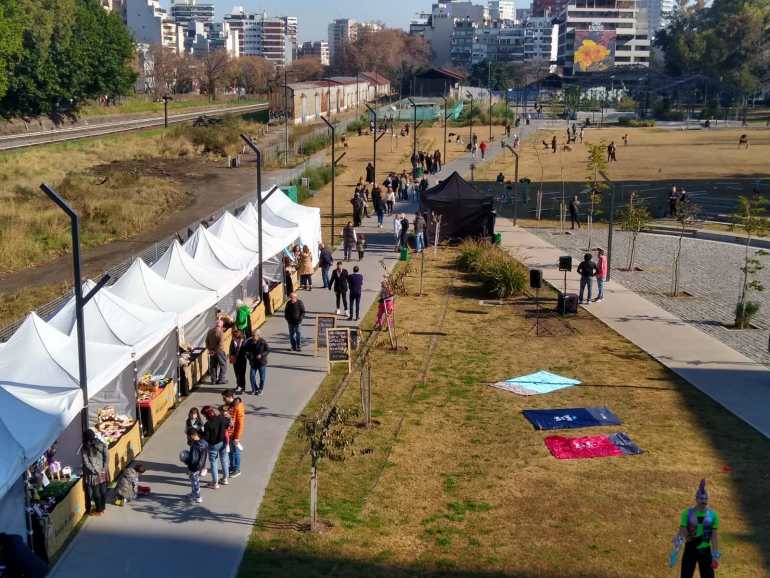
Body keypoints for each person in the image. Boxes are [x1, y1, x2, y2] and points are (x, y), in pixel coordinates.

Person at [673, 480, 721, 578]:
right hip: (690, 548)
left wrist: (715, 555)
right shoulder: (687, 513)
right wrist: (677, 546)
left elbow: (714, 536)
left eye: (706, 499)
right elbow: (682, 531)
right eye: (701, 499)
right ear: (696, 499)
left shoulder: (713, 515)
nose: (704, 501)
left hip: (705, 550)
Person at [82, 429, 109, 516]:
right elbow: (107, 457)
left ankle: (99, 510)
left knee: (97, 492)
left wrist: (94, 470)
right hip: (102, 471)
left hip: (93, 474)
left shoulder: (85, 447)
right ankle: (102, 508)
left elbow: (86, 462)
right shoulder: (101, 444)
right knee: (103, 490)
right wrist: (104, 469)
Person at [202, 406, 229, 488]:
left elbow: (206, 438)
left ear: (206, 415)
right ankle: (225, 479)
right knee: (224, 460)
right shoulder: (220, 418)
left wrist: (201, 433)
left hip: (213, 445)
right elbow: (227, 425)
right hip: (223, 442)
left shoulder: (207, 424)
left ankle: (215, 483)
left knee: (213, 463)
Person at [222, 390, 244, 478]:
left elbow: (240, 423)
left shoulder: (238, 407)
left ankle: (237, 469)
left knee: (236, 451)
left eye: (224, 398)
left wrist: (237, 437)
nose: (223, 400)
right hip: (229, 433)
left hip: (234, 434)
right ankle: (232, 466)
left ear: (229, 397)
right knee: (231, 451)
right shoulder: (230, 405)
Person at [183, 427, 208, 504]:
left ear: (192, 436)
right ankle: (193, 493)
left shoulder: (194, 446)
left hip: (194, 467)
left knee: (195, 482)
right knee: (194, 481)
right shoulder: (204, 442)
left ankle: (198, 497)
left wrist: (187, 462)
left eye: (188, 436)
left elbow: (193, 459)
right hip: (201, 465)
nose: (187, 438)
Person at [205, 319, 227, 385]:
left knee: (213, 366)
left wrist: (210, 349)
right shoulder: (220, 332)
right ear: (221, 325)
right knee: (223, 365)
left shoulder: (210, 331)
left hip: (212, 350)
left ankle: (213, 380)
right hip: (219, 351)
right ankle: (221, 379)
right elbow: (220, 344)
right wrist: (215, 350)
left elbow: (206, 341)